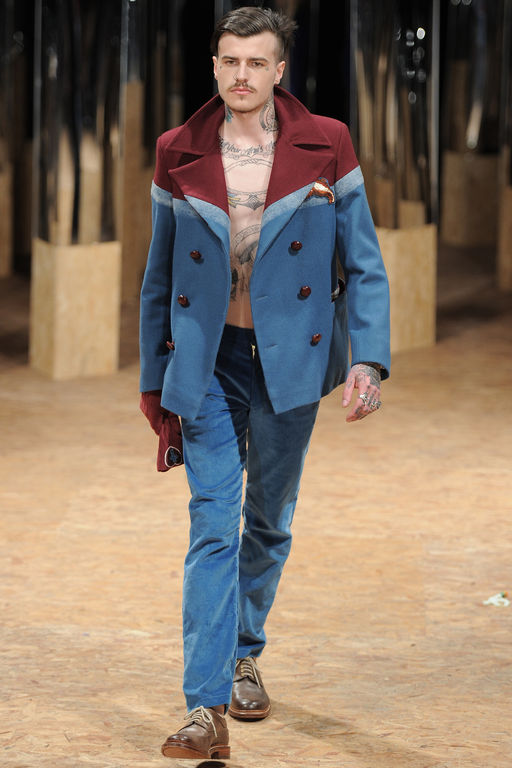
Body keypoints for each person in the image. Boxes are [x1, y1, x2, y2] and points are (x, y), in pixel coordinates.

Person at [139, 6, 390, 761]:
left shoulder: (327, 141)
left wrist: (368, 359)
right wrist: (153, 381)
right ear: (214, 66)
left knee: (269, 519)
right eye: (230, 60)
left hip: (290, 361)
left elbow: (364, 263)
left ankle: (245, 653)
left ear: (280, 70)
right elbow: (159, 278)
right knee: (214, 523)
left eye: (257, 62)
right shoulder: (178, 149)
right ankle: (204, 705)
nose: (241, 74)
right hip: (207, 360)